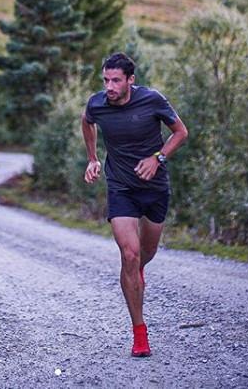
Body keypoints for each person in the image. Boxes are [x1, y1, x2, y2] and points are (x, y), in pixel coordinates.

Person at [82, 52, 188, 358]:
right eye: (106, 80)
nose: (109, 87)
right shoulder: (97, 104)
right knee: (129, 254)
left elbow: (181, 132)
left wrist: (158, 158)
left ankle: (137, 270)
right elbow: (87, 122)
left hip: (154, 187)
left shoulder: (152, 100)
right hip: (121, 187)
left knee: (145, 253)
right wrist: (92, 158)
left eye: (116, 80)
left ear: (131, 80)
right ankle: (140, 333)